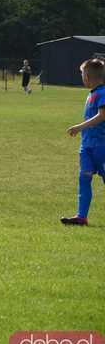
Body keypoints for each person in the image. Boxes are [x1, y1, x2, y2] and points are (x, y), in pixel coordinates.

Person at [61, 58, 105, 226]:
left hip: (101, 147)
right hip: (87, 147)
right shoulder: (92, 94)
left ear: (87, 76)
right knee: (84, 178)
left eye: (82, 74)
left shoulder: (102, 93)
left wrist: (79, 127)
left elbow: (102, 116)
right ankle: (81, 217)